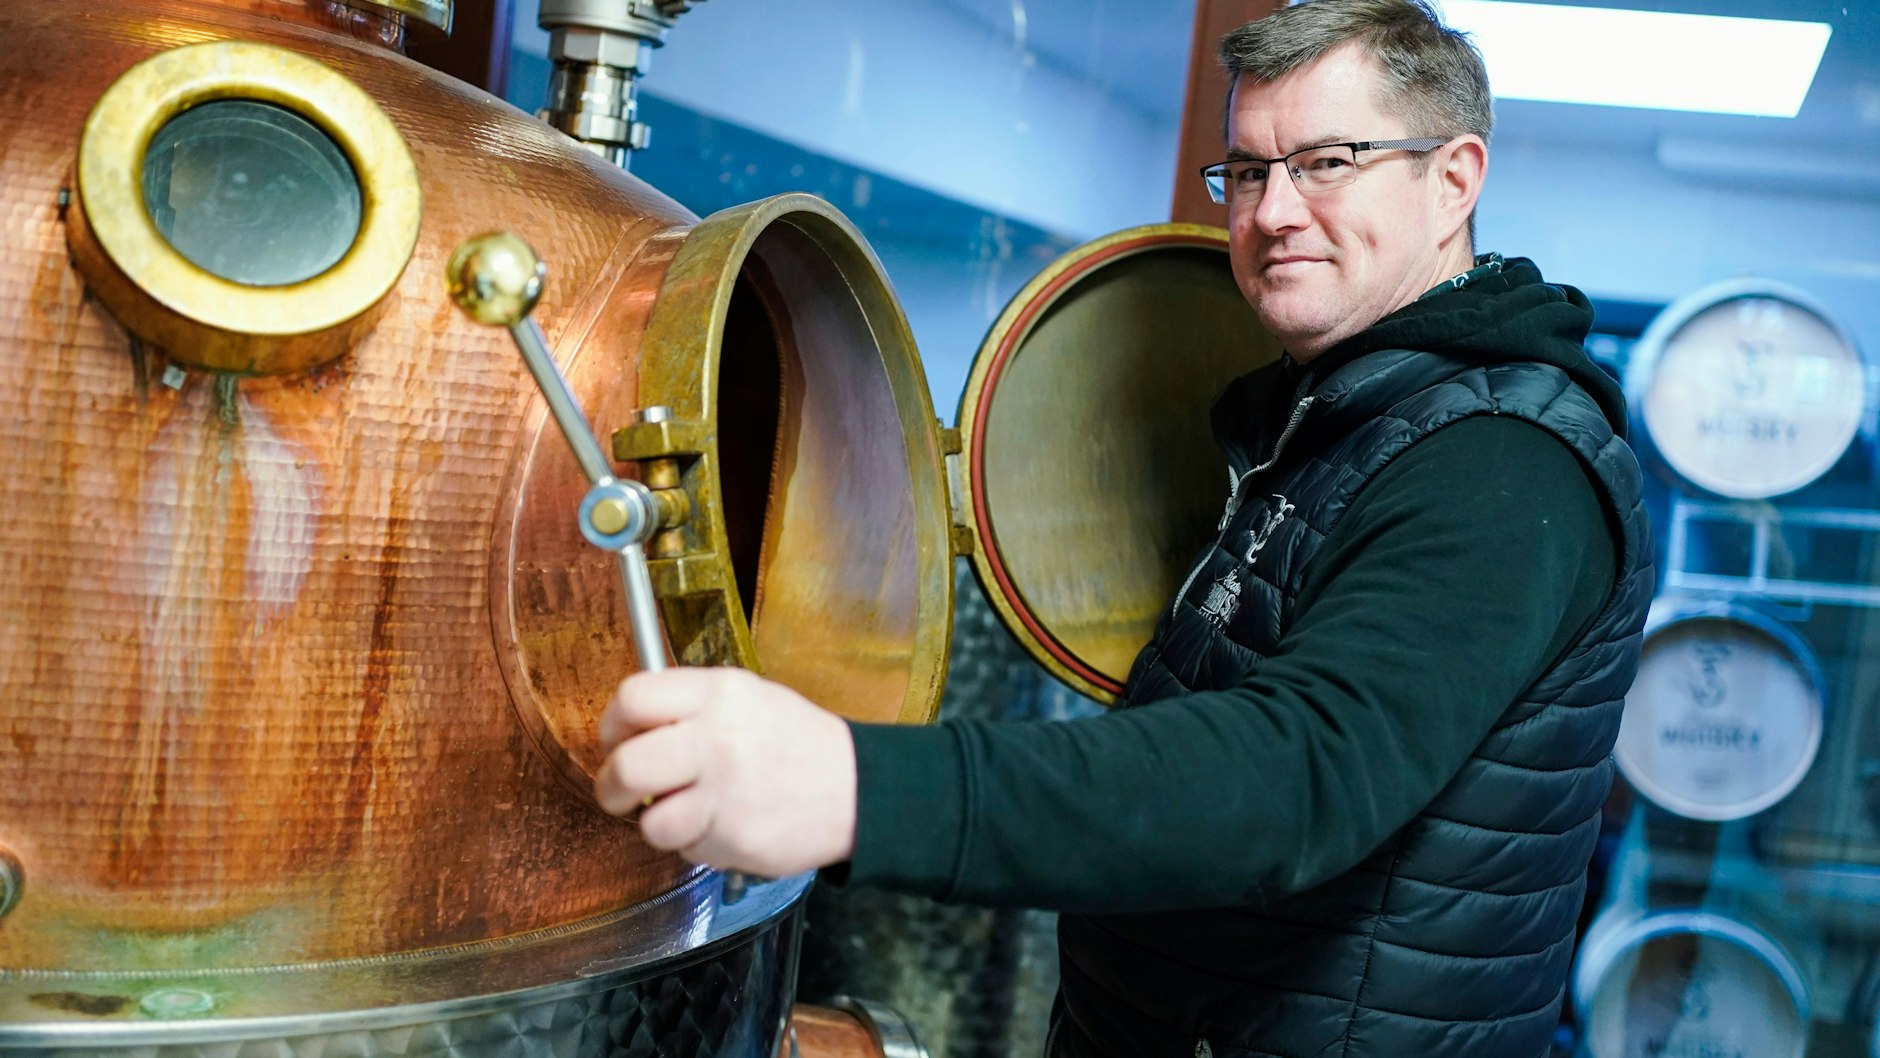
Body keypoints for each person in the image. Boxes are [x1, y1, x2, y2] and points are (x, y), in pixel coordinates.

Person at [591, 1, 1652, 1055]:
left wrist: (853, 787)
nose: (1273, 209)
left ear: (1452, 178)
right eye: (1246, 169)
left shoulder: (1501, 461)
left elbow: (1294, 776)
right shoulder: (1325, 422)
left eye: (1325, 161)